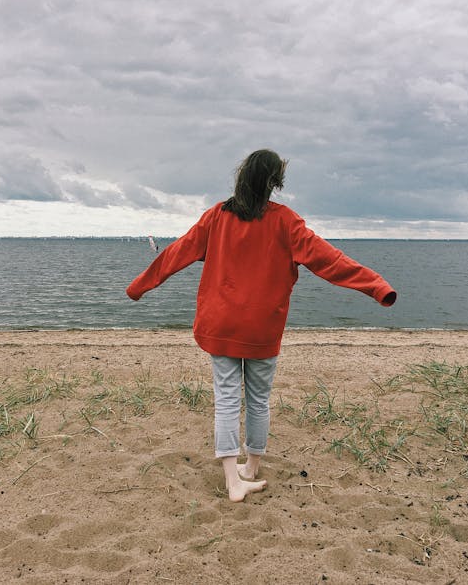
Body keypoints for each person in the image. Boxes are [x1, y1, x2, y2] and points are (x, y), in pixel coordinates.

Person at [126, 149, 397, 502]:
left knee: (226, 400)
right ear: (274, 183)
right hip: (261, 330)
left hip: (220, 325)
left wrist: (139, 287)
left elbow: (177, 252)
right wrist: (377, 286)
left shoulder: (217, 217)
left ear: (242, 178)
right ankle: (250, 467)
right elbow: (331, 260)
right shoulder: (286, 222)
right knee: (257, 401)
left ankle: (233, 479)